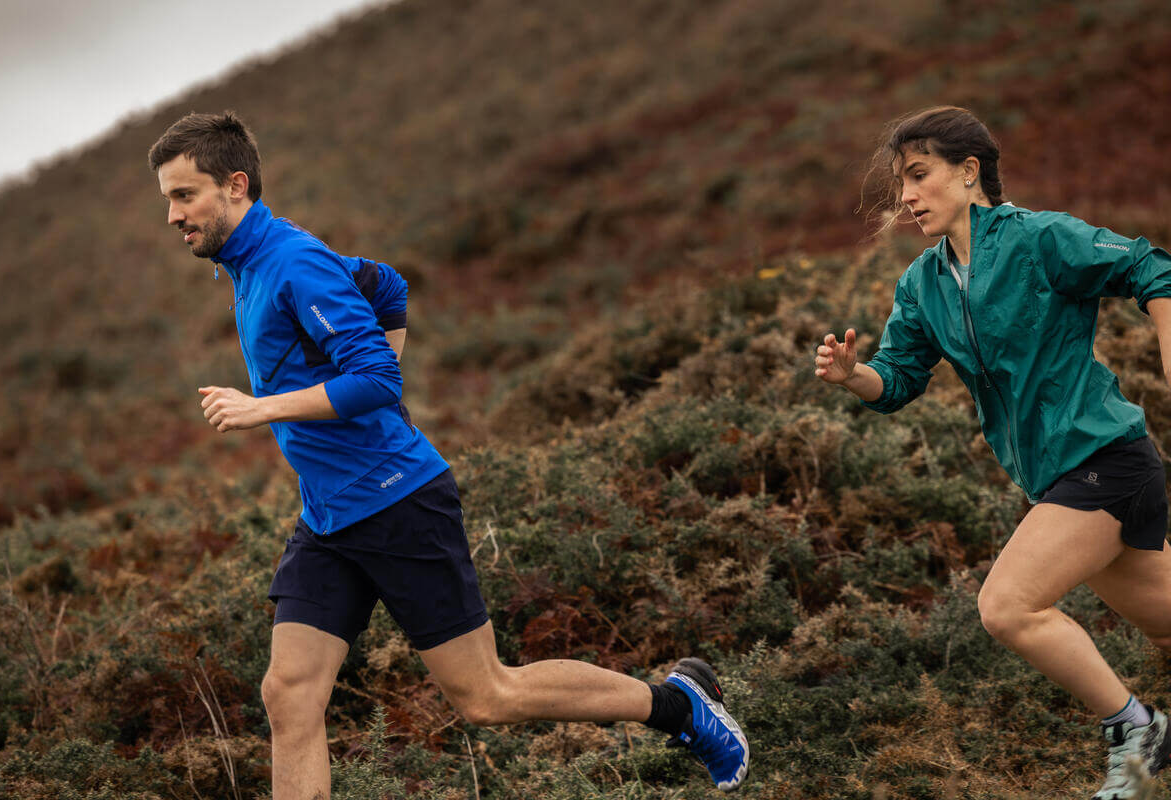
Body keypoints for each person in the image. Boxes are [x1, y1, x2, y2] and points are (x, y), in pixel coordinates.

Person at [148, 111, 748, 798]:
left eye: (183, 195)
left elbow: (377, 377)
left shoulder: (292, 262)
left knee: (487, 696)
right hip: (331, 515)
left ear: (235, 185)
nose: (171, 214)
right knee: (289, 694)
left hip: (398, 501)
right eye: (167, 198)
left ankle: (679, 706)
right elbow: (386, 287)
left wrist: (269, 408)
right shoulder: (250, 262)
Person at [815, 105, 1171, 799]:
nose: (908, 197)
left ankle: (1139, 731)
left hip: (1104, 459)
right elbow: (898, 379)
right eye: (901, 184)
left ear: (969, 171)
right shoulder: (923, 284)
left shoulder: (1038, 240)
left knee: (1007, 606)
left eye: (919, 176)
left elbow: (1150, 267)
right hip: (1054, 480)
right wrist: (852, 376)